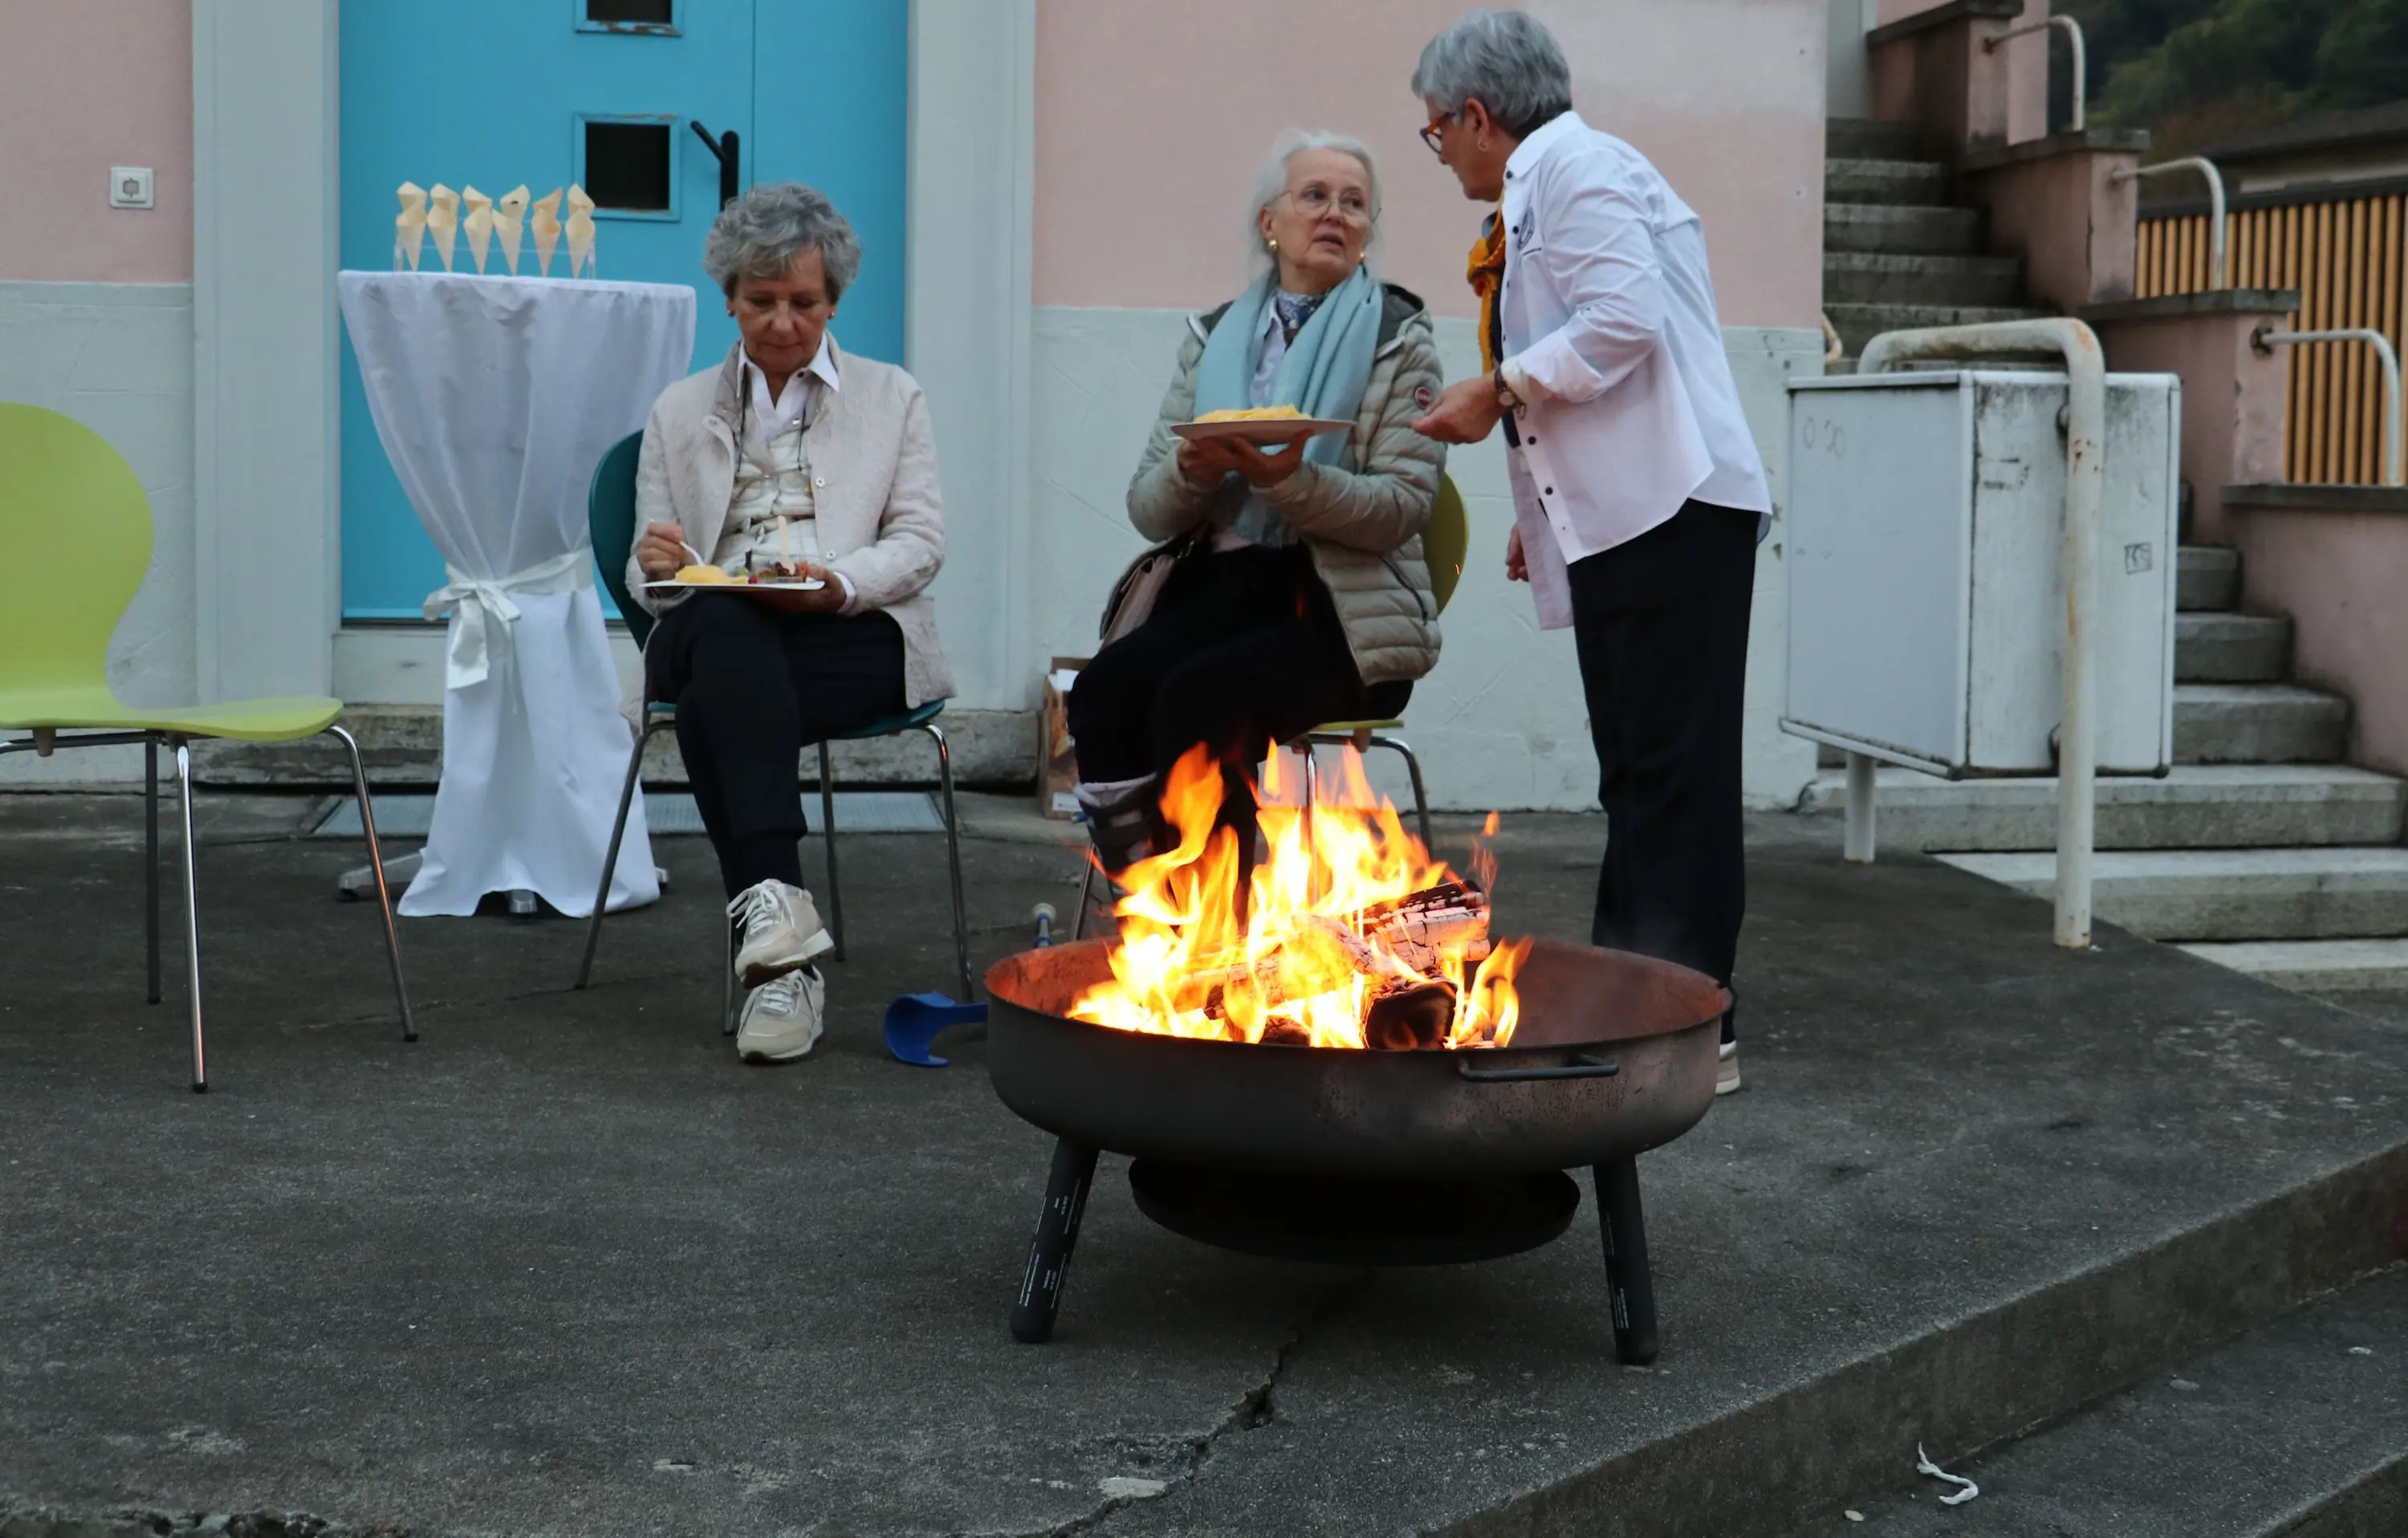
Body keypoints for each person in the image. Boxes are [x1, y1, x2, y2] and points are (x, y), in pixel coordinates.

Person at [1407, 10, 1771, 1095]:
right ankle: (1637, 1002)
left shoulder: (1576, 169)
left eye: (1436, 136)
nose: (1442, 158)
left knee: (1675, 778)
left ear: (1477, 115)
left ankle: (1687, 1023)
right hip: (1636, 510)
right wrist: (1547, 508)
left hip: (1677, 511)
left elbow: (1622, 323)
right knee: (1641, 774)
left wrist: (1496, 390)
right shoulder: (1548, 185)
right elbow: (1600, 360)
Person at [626, 183, 950, 1065]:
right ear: (728, 298)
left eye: (803, 303)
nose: (781, 322)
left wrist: (836, 582)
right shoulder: (679, 409)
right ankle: (780, 924)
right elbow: (645, 562)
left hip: (855, 633)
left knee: (711, 706)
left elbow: (921, 541)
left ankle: (779, 963)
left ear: (834, 300)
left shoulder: (894, 397)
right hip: (720, 623)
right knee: (729, 633)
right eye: (760, 302)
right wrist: (658, 566)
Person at [1069, 130, 1446, 873]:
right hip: (1220, 591)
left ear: (1369, 231)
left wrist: (1285, 481)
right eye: (1314, 196)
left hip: (1345, 607)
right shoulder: (1214, 339)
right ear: (1269, 224)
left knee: (1201, 700)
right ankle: (1150, 896)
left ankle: (1222, 926)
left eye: (1354, 202)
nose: (1334, 213)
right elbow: (1151, 509)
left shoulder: (1399, 340)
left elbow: (1403, 506)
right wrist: (1196, 467)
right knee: (1103, 692)